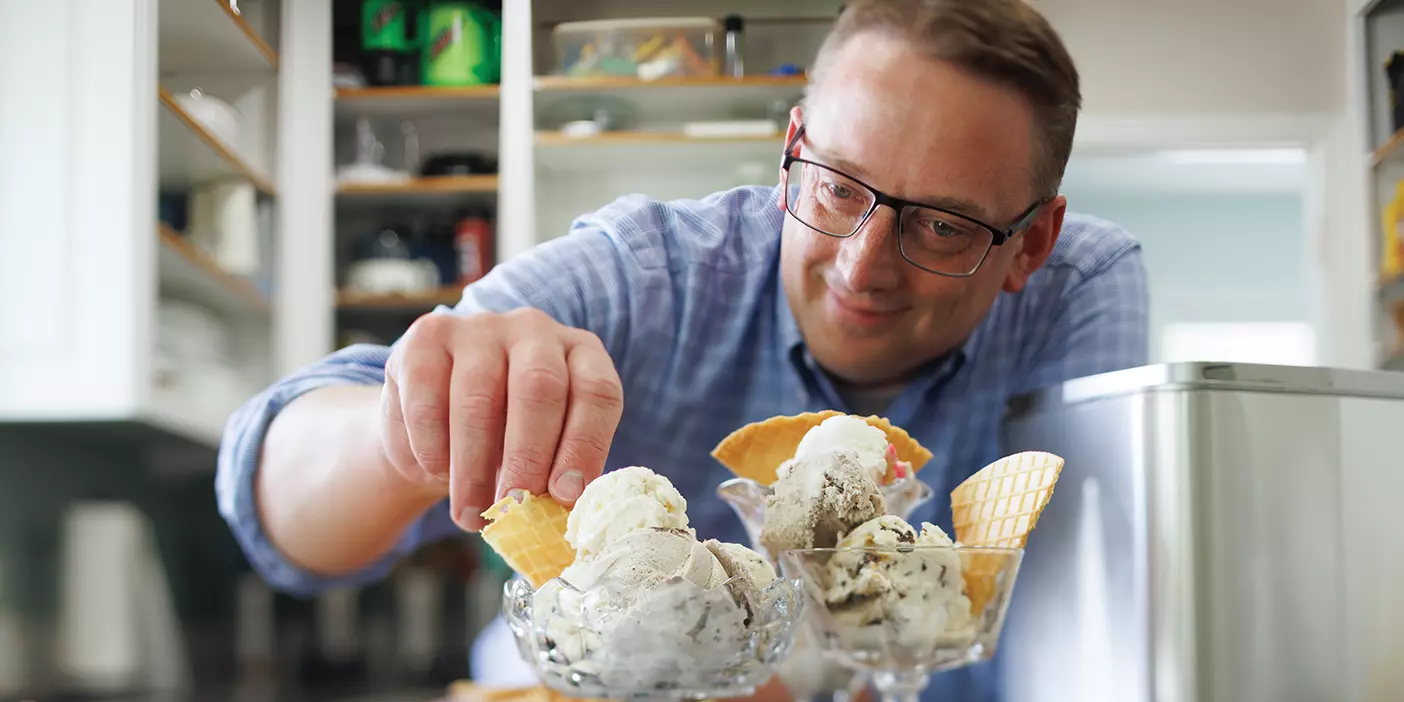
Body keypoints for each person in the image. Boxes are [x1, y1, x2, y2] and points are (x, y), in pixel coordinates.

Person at [216, 0, 1148, 700]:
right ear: (791, 145)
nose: (861, 267)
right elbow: (278, 511)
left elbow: (1091, 636)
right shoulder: (649, 272)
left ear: (1031, 242)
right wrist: (404, 428)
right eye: (835, 187)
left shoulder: (1081, 287)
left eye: (943, 227)